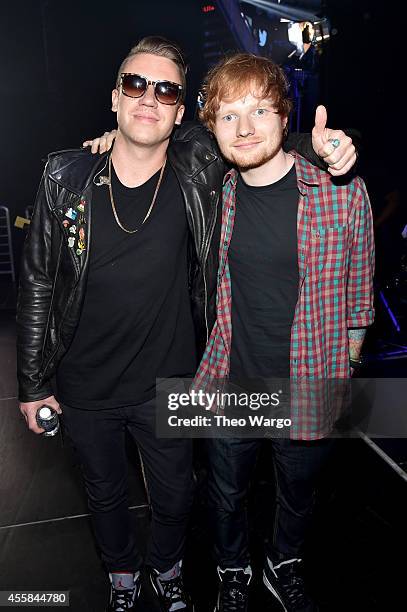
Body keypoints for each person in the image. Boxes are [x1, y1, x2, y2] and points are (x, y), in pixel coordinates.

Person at [17, 35, 358, 612]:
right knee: (104, 496)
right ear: (115, 98)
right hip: (85, 383)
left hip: (174, 380)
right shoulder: (66, 176)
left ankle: (168, 570)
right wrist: (32, 383)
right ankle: (122, 575)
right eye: (135, 84)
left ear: (178, 112)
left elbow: (255, 139)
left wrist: (326, 147)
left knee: (178, 497)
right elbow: (38, 285)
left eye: (166, 89)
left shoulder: (197, 168)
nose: (149, 97)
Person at [192, 53, 374, 612]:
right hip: (230, 381)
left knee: (298, 496)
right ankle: (232, 571)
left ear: (284, 116)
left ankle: (284, 564)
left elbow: (360, 294)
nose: (244, 127)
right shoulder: (213, 191)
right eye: (228, 115)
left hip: (310, 384)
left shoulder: (342, 193)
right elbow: (145, 147)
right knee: (226, 498)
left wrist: (346, 364)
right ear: (212, 127)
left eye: (260, 110)